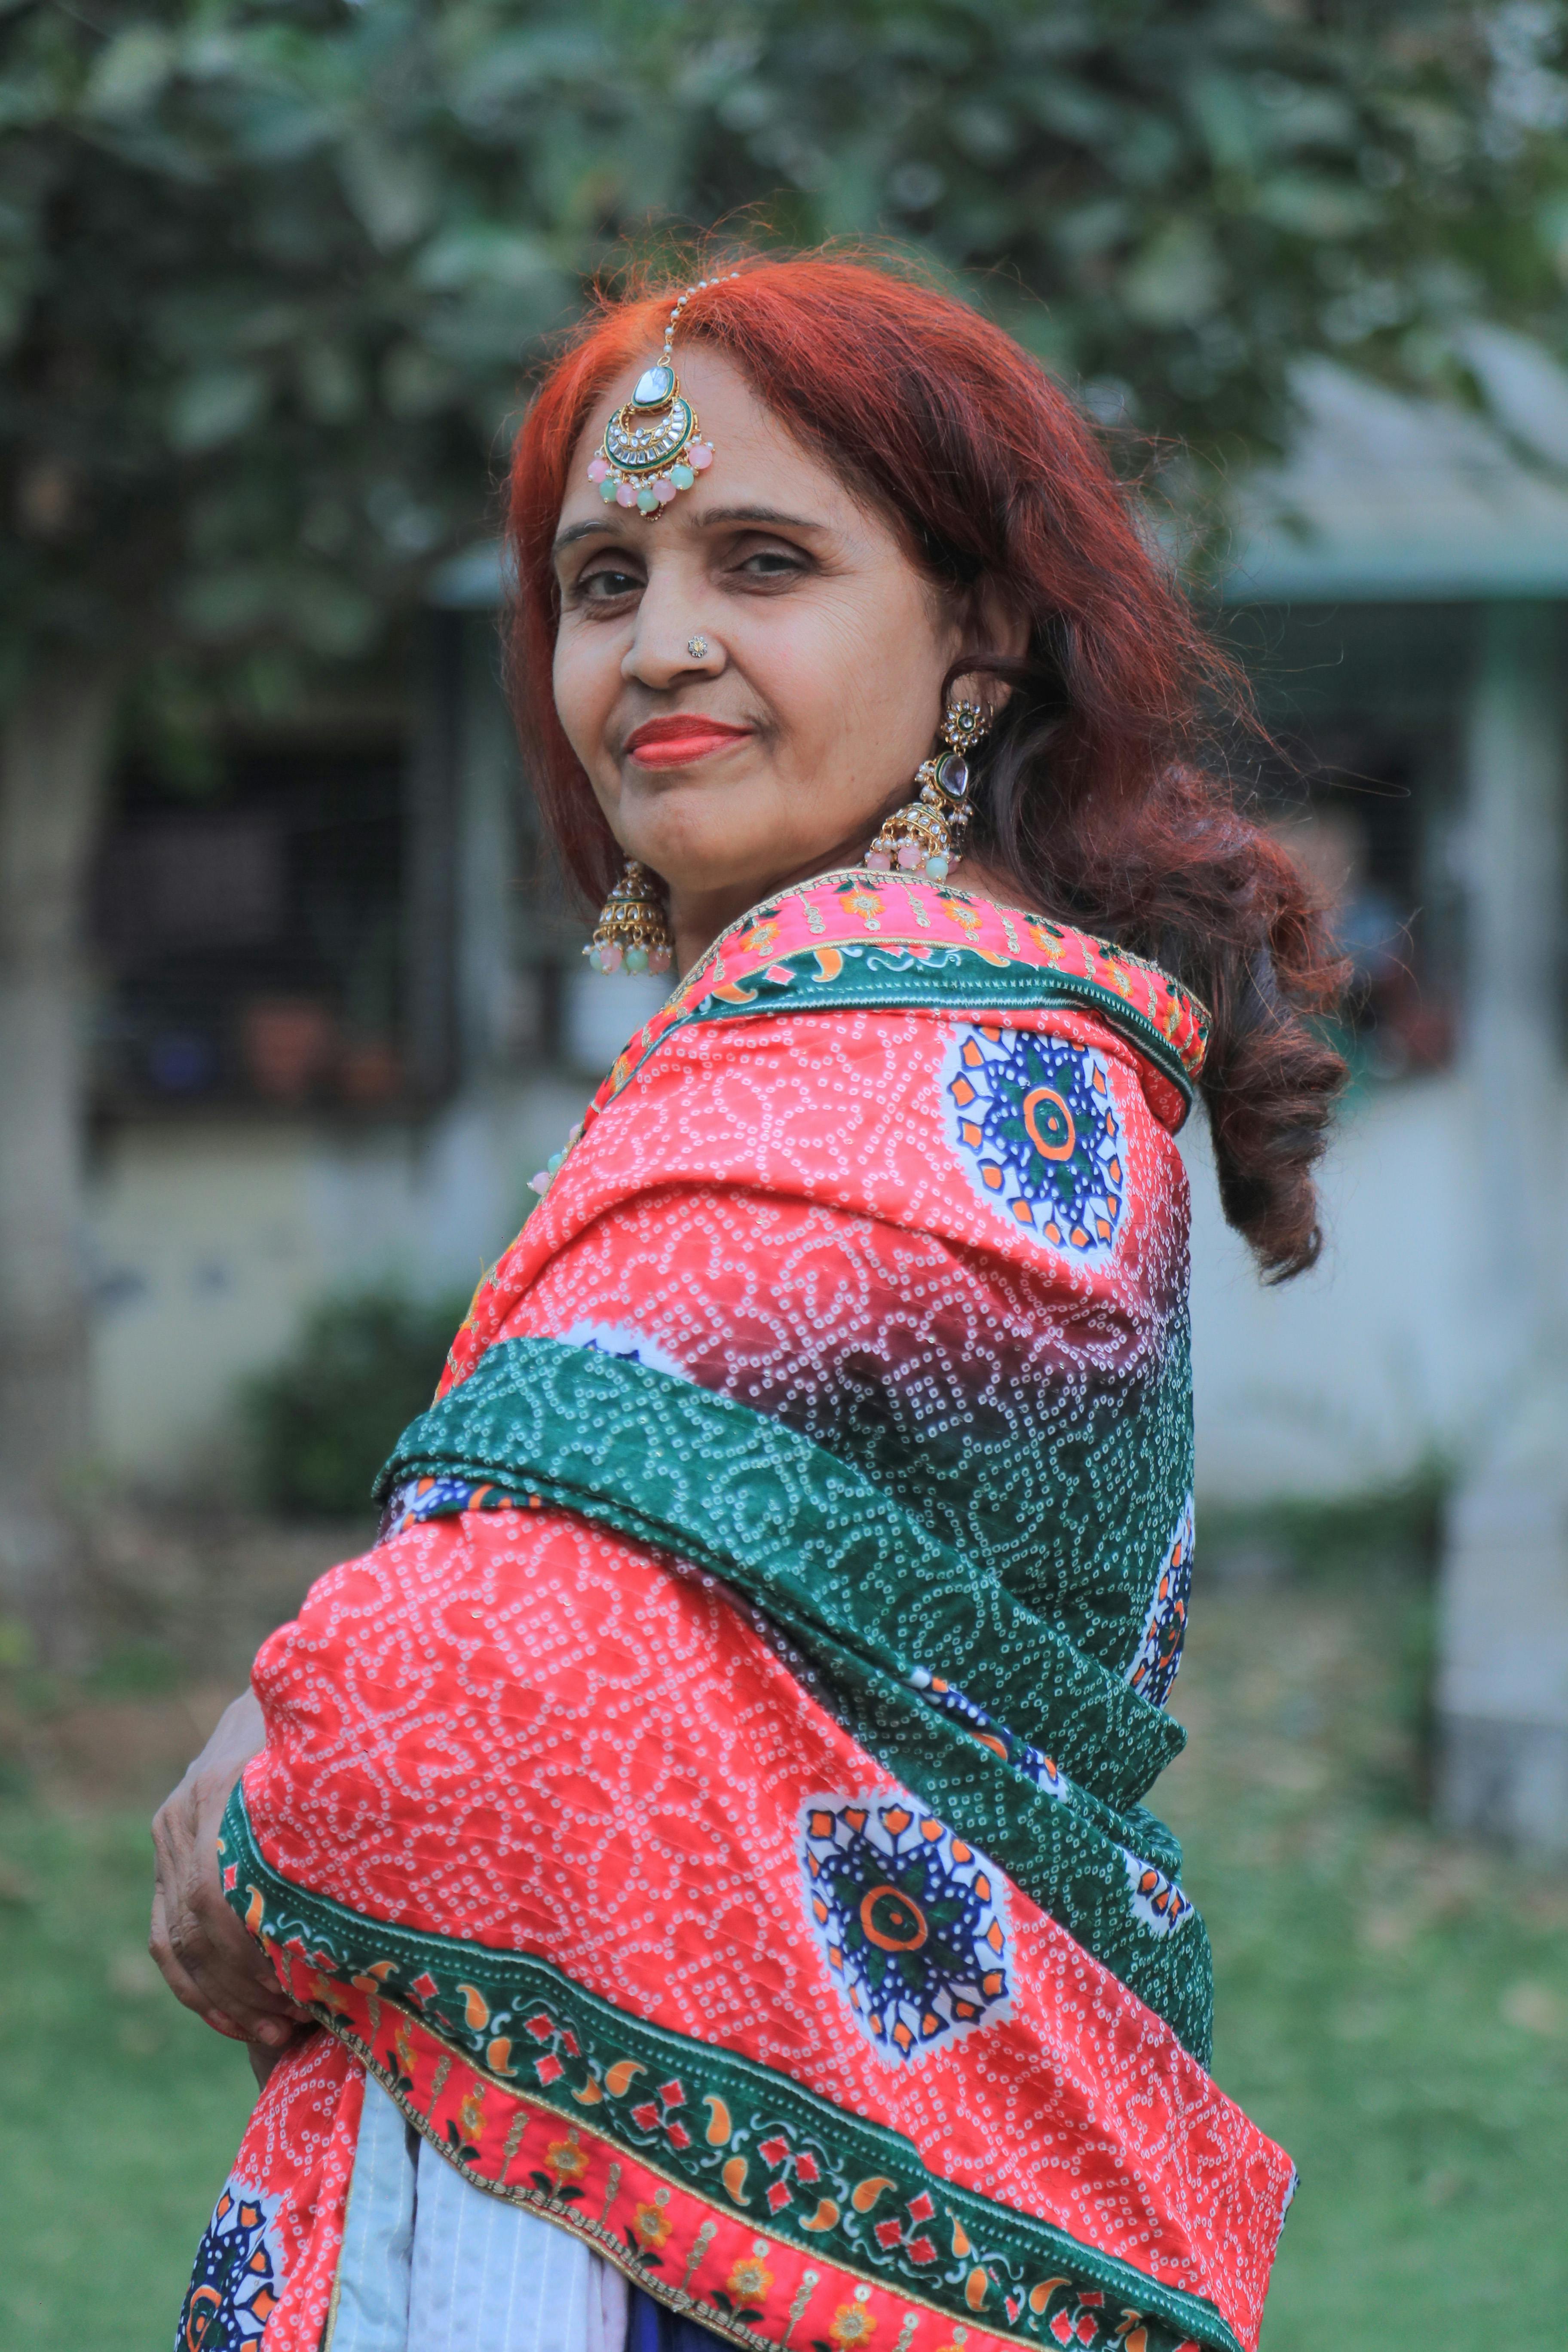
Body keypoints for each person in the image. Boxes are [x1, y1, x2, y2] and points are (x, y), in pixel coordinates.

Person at [152, 254, 1343, 2352]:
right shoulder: (827, 1043)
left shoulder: (962, 1071)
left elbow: (489, 1681)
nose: (659, 646)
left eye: (764, 562)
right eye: (600, 583)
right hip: (659, 2156)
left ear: (979, 628)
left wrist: (267, 1793)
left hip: (748, 2249)